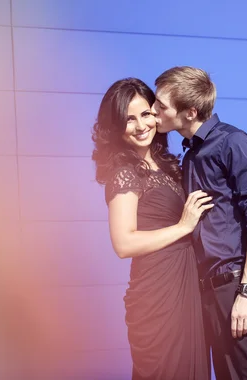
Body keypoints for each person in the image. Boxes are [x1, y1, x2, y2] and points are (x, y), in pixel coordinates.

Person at [153, 66, 247, 380]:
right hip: (206, 294)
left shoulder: (232, 142)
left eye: (161, 105)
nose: (154, 111)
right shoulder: (191, 153)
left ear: (190, 112)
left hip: (236, 289)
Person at [91, 77, 212, 380]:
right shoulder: (125, 172)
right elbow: (124, 244)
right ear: (116, 127)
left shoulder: (167, 164)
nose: (140, 125)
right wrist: (184, 225)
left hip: (185, 288)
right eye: (128, 119)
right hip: (157, 296)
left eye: (145, 113)